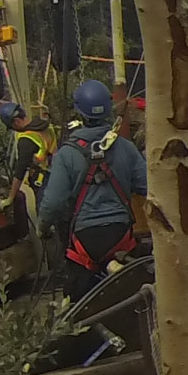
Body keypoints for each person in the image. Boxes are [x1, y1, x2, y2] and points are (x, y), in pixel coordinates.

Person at [37, 80, 149, 301]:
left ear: (80, 112)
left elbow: (53, 203)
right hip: (121, 235)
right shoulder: (125, 148)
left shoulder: (67, 155)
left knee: (79, 302)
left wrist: (43, 227)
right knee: (133, 294)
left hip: (85, 241)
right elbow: (146, 185)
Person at [0, 101, 56, 215]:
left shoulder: (26, 140)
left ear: (16, 122)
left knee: (44, 214)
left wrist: (10, 198)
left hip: (44, 180)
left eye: (12, 127)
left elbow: (20, 171)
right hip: (60, 173)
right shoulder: (46, 126)